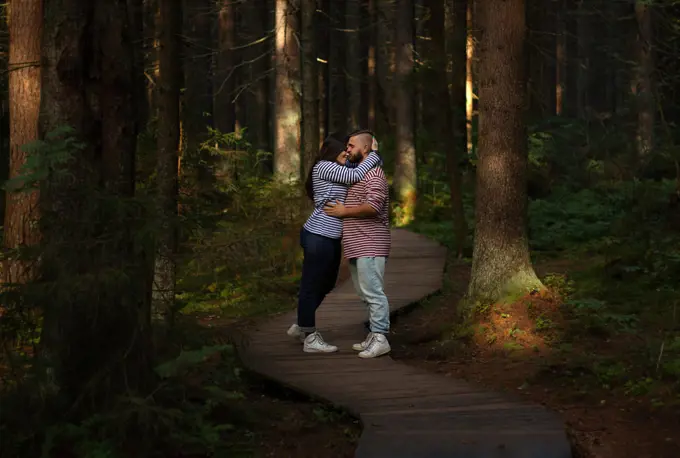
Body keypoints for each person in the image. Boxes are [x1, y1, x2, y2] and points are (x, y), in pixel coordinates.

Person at [287, 136, 381, 353]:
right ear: (333, 152)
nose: (348, 153)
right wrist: (373, 153)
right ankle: (309, 336)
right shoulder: (324, 167)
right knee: (311, 284)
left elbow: (357, 166)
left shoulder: (336, 166)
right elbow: (356, 173)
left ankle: (302, 324)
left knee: (328, 283)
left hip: (330, 237)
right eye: (344, 150)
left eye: (349, 149)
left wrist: (367, 152)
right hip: (318, 235)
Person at [323, 130, 391, 359]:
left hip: (371, 243)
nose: (347, 149)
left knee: (373, 293)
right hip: (357, 244)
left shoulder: (374, 175)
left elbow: (373, 206)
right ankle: (374, 334)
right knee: (365, 294)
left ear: (365, 148)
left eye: (351, 145)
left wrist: (344, 212)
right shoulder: (358, 174)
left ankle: (381, 337)